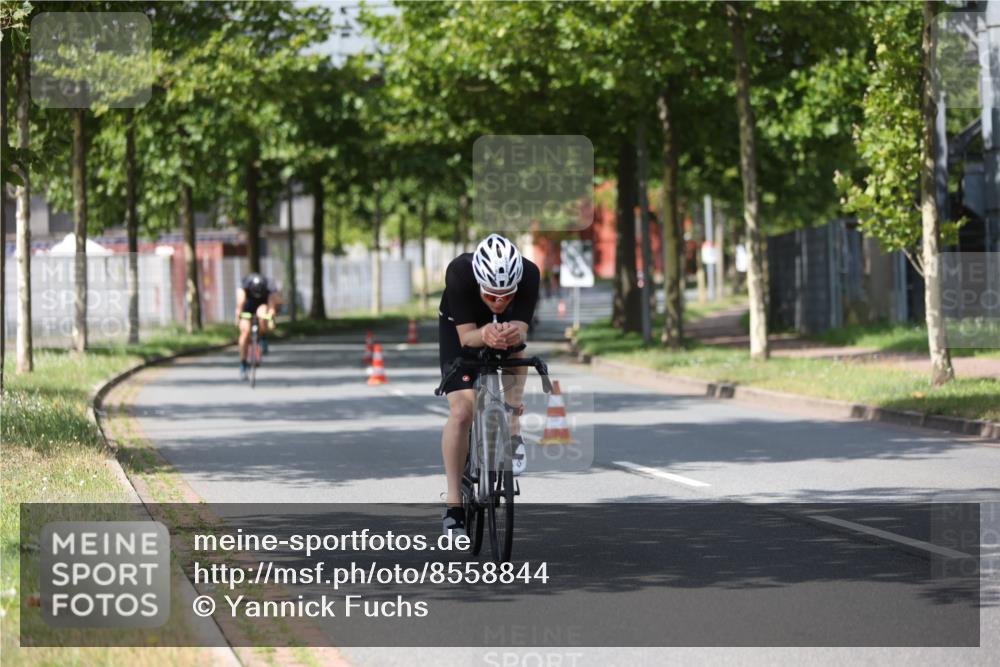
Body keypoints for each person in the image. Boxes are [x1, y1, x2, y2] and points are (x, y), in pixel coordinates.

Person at [438, 233, 540, 536]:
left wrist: (510, 334)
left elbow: (521, 330)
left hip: (504, 328)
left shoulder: (530, 273)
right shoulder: (460, 273)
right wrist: (484, 335)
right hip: (461, 328)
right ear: (480, 282)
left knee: (517, 352)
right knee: (462, 412)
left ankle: (513, 432)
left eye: (507, 295)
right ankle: (454, 506)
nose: (499, 301)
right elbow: (466, 337)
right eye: (492, 295)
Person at [236, 272, 279, 380]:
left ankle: (263, 336)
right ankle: (243, 363)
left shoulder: (269, 285)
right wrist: (238, 317)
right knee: (245, 333)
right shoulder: (245, 284)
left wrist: (271, 319)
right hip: (248, 306)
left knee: (263, 313)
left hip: (262, 305)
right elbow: (240, 303)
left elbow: (272, 307)